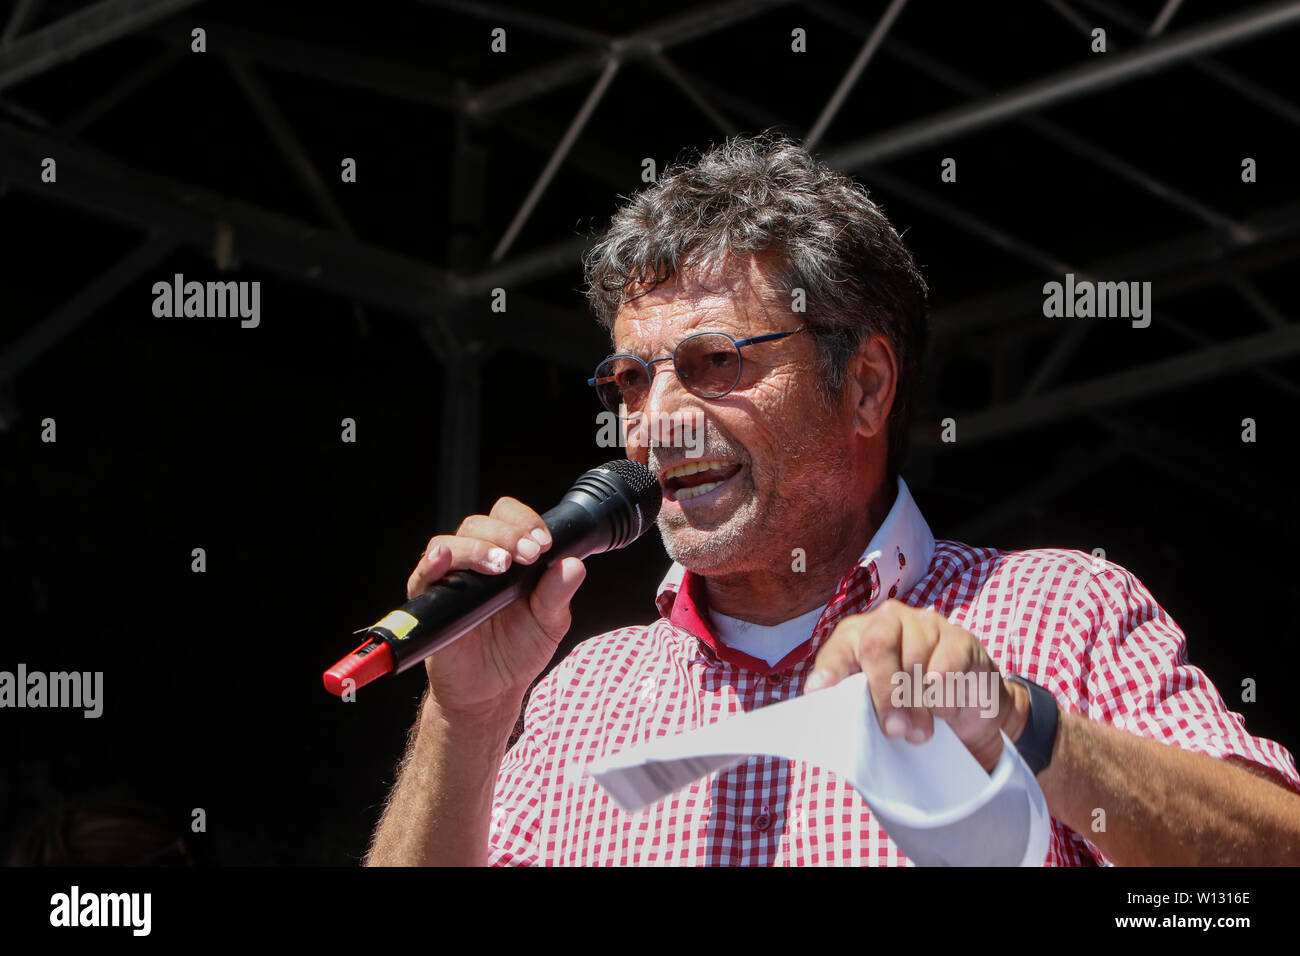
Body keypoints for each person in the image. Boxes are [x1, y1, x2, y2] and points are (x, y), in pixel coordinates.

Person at [365, 132, 1300, 866]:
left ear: (864, 387)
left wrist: (1018, 720)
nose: (657, 421)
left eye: (713, 362)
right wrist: (468, 718)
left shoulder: (1058, 610)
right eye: (633, 381)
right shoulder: (580, 694)